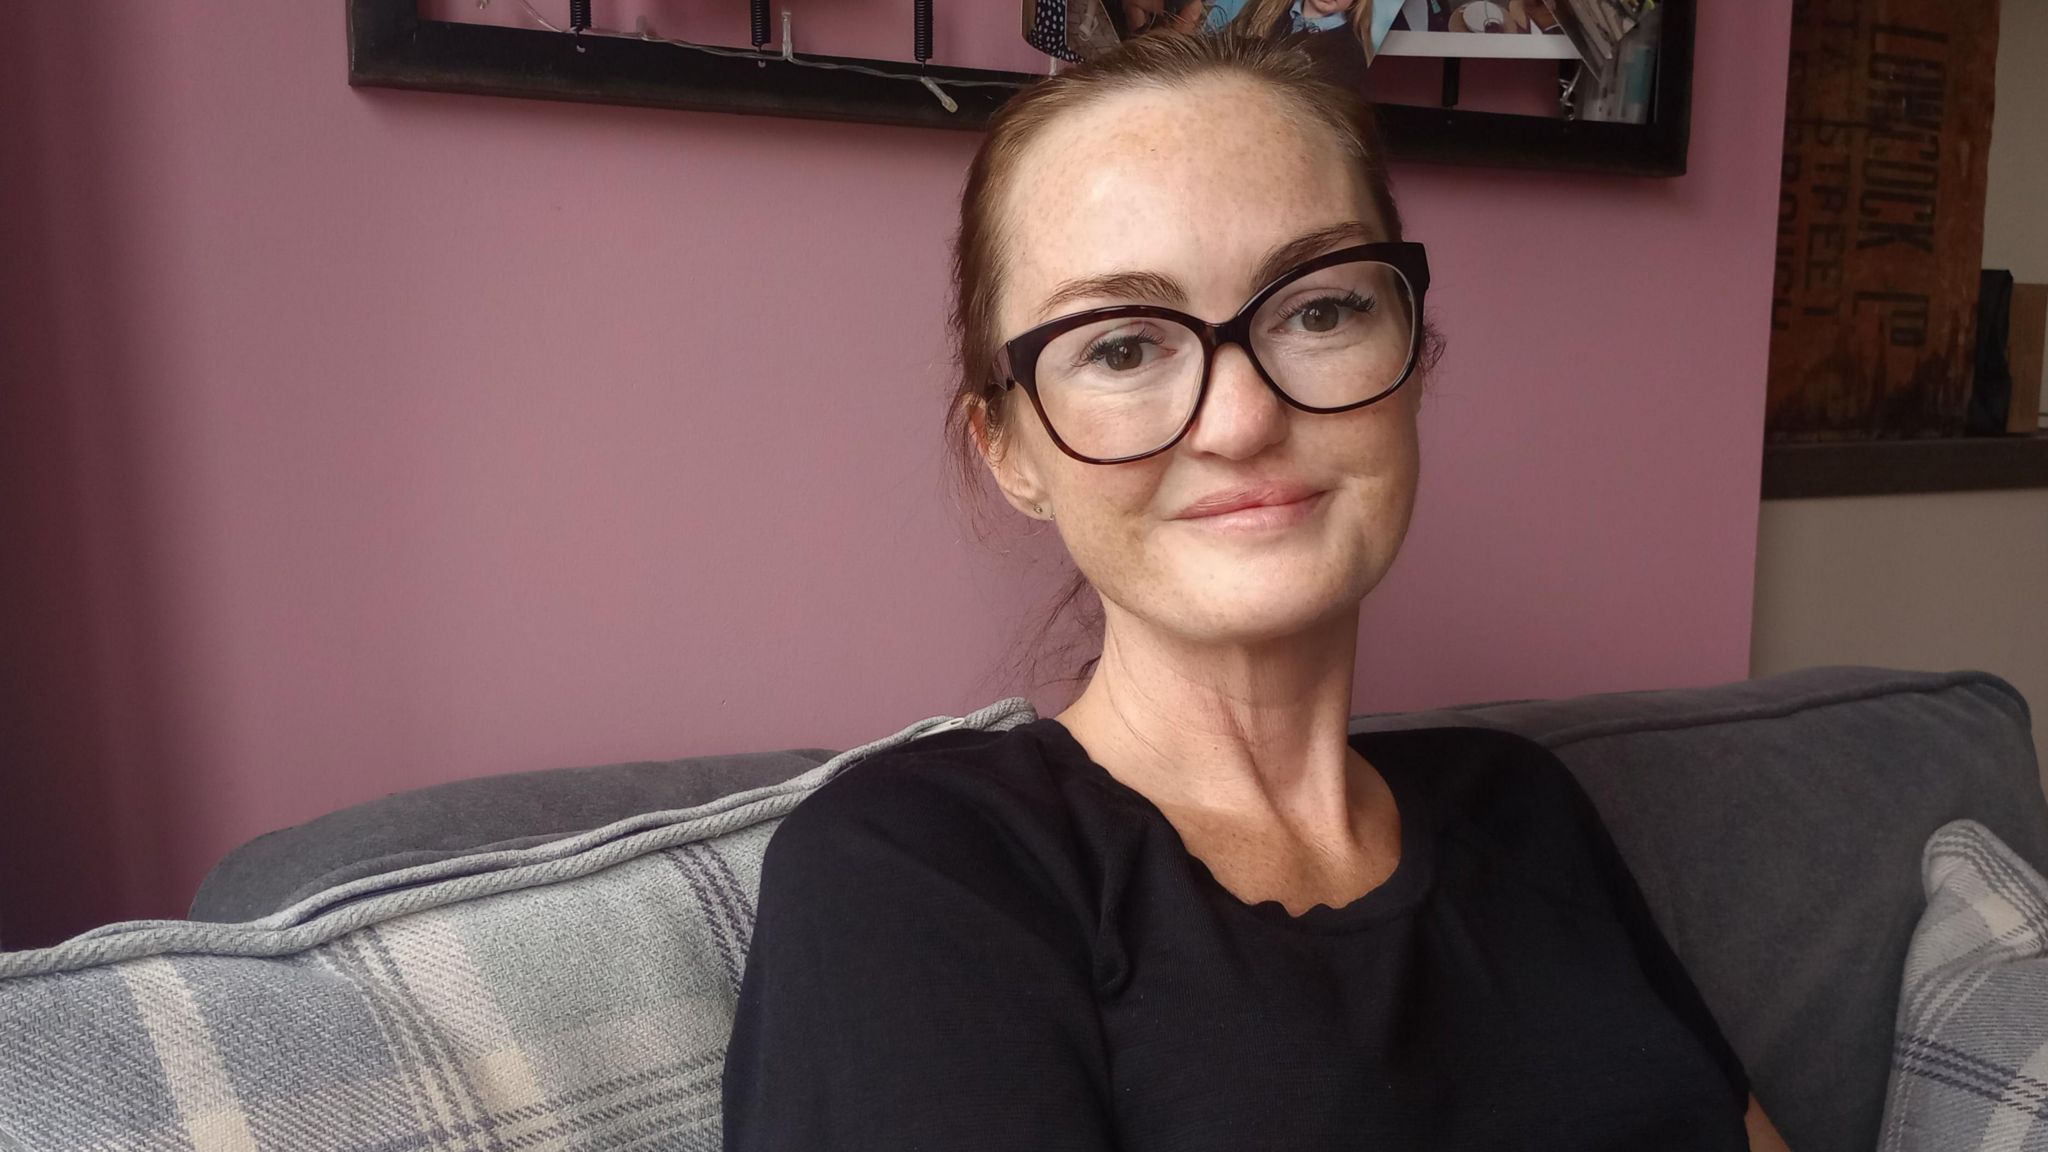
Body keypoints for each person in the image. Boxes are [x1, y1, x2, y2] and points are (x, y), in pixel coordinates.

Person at [722, 28, 1794, 1152]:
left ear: (1414, 359)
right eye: (1121, 347)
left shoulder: (1520, 805)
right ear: (1009, 450)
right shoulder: (913, 869)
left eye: (1319, 309)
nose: (1241, 422)